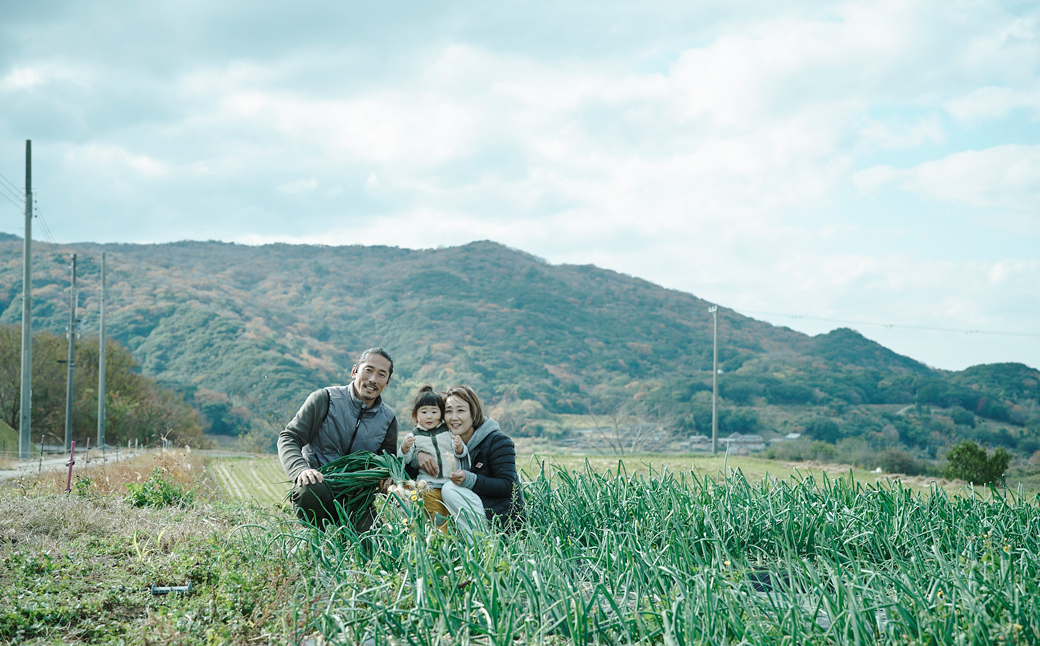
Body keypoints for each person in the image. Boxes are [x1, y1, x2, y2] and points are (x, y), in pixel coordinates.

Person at [278, 347, 401, 531]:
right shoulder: (325, 399)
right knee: (308, 489)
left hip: (357, 498)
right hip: (320, 486)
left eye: (381, 375)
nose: (373, 380)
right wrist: (301, 470)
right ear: (354, 371)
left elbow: (386, 465)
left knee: (376, 548)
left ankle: (348, 532)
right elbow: (289, 437)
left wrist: (387, 485)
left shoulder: (388, 419)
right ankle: (314, 533)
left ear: (388, 381)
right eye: (368, 370)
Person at [436, 385, 524, 534]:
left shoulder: (497, 441)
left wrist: (470, 480)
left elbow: (507, 486)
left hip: (500, 522)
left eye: (461, 410)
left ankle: (481, 547)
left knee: (450, 488)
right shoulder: (445, 444)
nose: (454, 417)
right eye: (448, 411)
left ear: (473, 413)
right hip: (468, 517)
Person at [398, 385, 468, 527]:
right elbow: (405, 459)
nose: (429, 416)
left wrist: (459, 446)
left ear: (441, 414)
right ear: (415, 415)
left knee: (452, 518)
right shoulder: (413, 436)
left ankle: (453, 546)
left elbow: (462, 453)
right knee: (437, 520)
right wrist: (405, 447)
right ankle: (442, 546)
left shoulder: (448, 433)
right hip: (428, 487)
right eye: (424, 412)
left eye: (434, 412)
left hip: (451, 485)